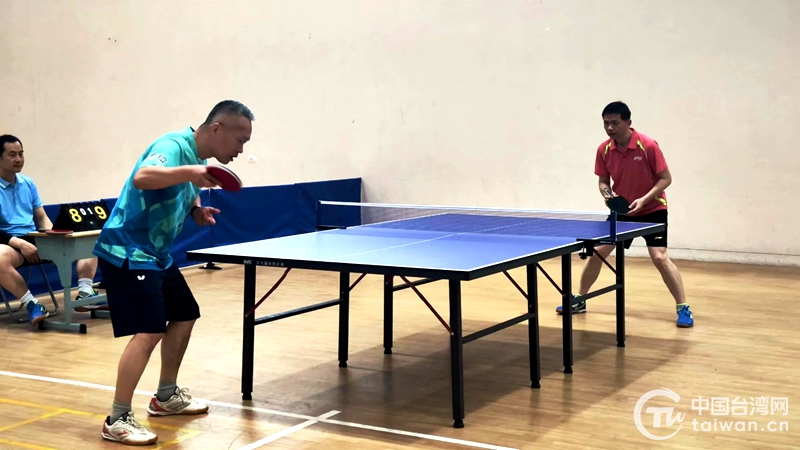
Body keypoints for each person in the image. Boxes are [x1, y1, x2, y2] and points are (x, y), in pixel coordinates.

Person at [93, 100, 254, 445]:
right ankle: (117, 418)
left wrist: (195, 209)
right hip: (128, 251)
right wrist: (190, 173)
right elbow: (143, 177)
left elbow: (185, 190)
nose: (241, 149)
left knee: (184, 313)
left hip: (156, 254)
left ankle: (165, 397)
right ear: (217, 129)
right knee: (149, 330)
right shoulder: (172, 146)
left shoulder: (199, 158)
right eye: (240, 140)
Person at [556, 101, 693, 328]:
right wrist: (608, 195)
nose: (610, 128)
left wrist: (644, 199)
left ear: (628, 122)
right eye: (606, 123)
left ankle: (683, 307)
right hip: (623, 211)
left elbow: (666, 179)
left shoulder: (647, 145)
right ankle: (580, 299)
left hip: (652, 209)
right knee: (597, 253)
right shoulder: (604, 150)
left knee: (660, 258)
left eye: (615, 123)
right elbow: (603, 182)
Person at [0, 134, 102, 327]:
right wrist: (19, 243)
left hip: (34, 238)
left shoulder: (28, 183)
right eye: (12, 155)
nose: (18, 159)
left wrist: (53, 235)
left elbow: (41, 217)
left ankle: (85, 291)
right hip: (9, 243)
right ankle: (33, 304)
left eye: (21, 154)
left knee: (87, 239)